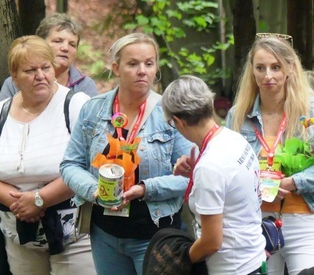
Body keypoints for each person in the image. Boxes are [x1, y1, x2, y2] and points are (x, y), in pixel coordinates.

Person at [60, 33, 194, 274]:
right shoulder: (93, 110)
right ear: (116, 68)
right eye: (133, 64)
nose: (142, 71)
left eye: (149, 63)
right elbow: (70, 165)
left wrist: (145, 188)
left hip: (155, 235)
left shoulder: (173, 114)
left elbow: (191, 177)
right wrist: (95, 191)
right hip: (105, 235)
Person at [0, 35, 94, 274]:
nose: (40, 75)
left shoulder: (76, 105)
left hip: (75, 233)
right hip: (19, 233)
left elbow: (90, 164)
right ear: (14, 76)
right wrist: (16, 202)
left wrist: (40, 199)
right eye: (30, 70)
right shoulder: (0, 113)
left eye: (45, 68)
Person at [225, 33, 314, 275]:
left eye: (276, 67)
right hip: (256, 219)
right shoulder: (238, 115)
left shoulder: (311, 112)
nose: (268, 76)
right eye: (260, 68)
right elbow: (225, 166)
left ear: (290, 69)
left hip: (303, 218)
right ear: (252, 71)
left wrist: (294, 182)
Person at [163, 75, 266, 274]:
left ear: (178, 121)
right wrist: (195, 173)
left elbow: (211, 242)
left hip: (232, 268)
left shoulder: (210, 168)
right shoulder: (234, 139)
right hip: (254, 258)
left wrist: (180, 260)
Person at [0, 13, 98, 102]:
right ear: (41, 43)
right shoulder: (15, 82)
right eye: (58, 41)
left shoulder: (85, 86)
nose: (65, 48)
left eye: (72, 44)